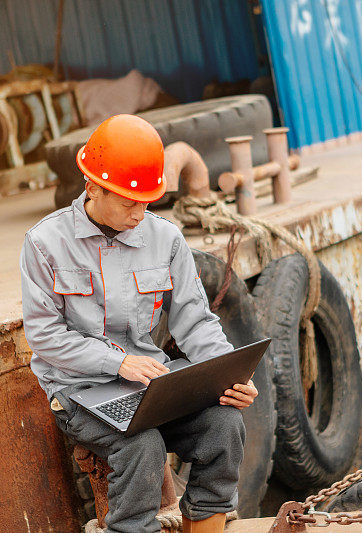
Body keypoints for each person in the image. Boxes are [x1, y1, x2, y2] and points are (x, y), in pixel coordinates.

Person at [19, 114, 258, 533]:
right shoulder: (45, 244)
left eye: (147, 200)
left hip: (150, 387)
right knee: (142, 444)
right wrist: (118, 363)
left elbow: (195, 321)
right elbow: (45, 337)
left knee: (223, 427)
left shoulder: (165, 239)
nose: (140, 212)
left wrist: (231, 373)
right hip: (78, 392)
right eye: (129, 201)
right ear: (93, 187)